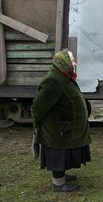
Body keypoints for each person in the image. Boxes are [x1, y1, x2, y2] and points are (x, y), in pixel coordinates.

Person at [31, 49, 91, 192]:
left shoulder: (63, 77)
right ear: (63, 62)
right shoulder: (53, 80)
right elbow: (38, 107)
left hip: (65, 127)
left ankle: (62, 175)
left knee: (64, 154)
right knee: (58, 154)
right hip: (57, 129)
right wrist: (38, 123)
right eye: (71, 60)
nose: (75, 63)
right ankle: (58, 183)